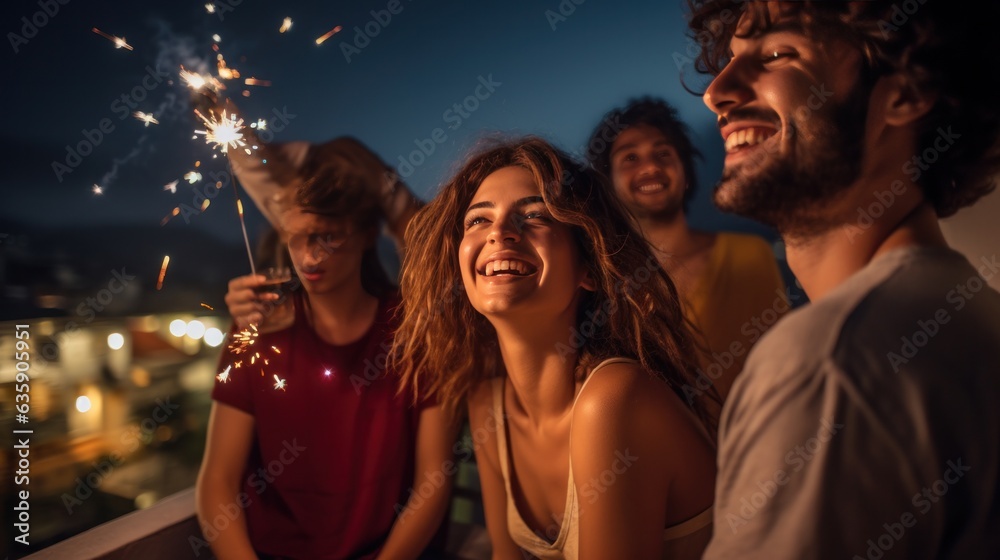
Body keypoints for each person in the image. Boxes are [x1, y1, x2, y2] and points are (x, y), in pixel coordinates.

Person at [687, 1, 1000, 557]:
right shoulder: (973, 312)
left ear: (904, 94)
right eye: (728, 61)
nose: (718, 92)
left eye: (779, 54)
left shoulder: (829, 363)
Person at [392, 137, 718, 559]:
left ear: (589, 268)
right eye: (478, 221)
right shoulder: (488, 406)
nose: (500, 233)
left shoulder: (613, 398)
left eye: (535, 215)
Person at [195, 137, 455, 559]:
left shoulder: (413, 329)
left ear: (367, 233)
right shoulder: (258, 329)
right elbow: (218, 480)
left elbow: (434, 481)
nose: (309, 257)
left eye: (327, 237)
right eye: (295, 238)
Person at [587, 98, 787, 409]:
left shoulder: (748, 256)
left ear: (687, 174)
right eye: (630, 158)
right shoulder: (598, 285)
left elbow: (784, 364)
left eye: (663, 154)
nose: (651, 167)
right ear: (608, 185)